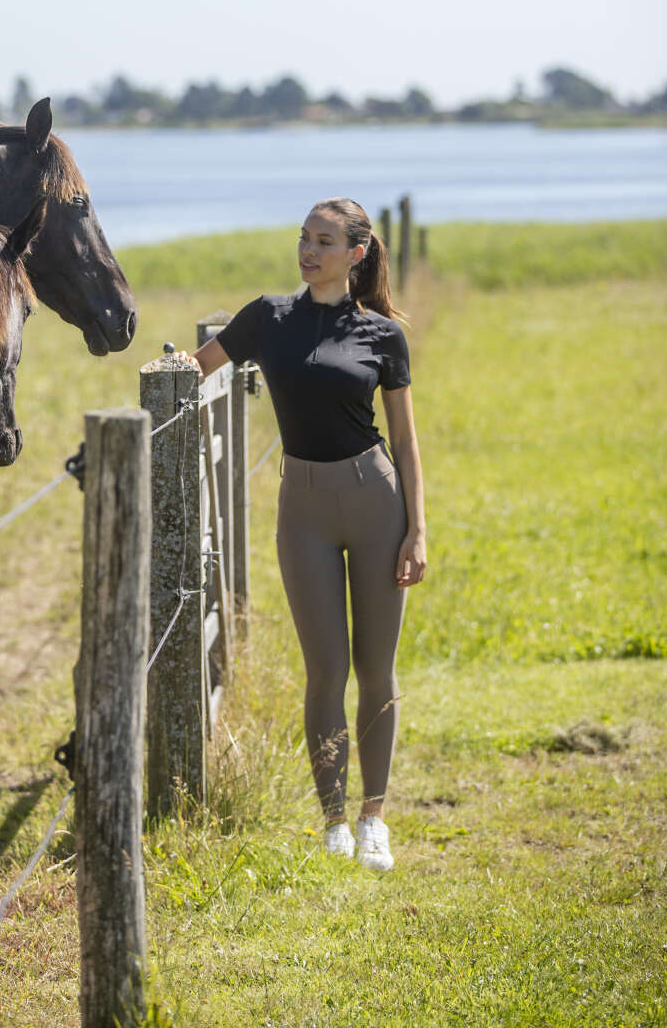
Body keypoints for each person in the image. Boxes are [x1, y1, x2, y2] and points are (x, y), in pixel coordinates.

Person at [184, 197, 426, 872]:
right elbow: (192, 369)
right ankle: (331, 821)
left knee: (376, 670)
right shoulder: (269, 318)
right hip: (304, 511)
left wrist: (417, 531)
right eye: (303, 237)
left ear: (355, 255)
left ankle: (373, 816)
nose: (308, 250)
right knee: (325, 672)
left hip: (376, 502)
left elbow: (404, 441)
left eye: (324, 241)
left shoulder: (382, 335)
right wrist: (159, 373)